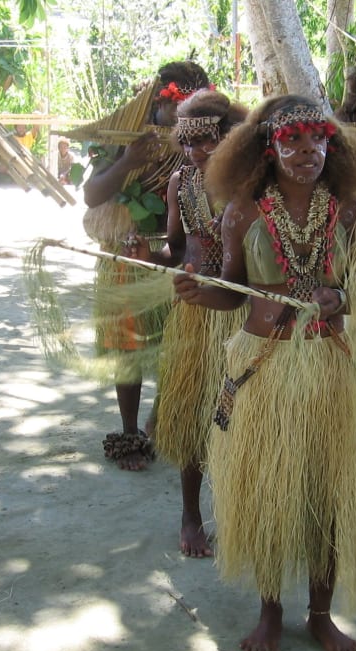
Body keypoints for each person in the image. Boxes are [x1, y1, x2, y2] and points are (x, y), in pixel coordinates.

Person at [173, 95, 356, 651]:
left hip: (330, 363)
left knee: (326, 495)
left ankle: (319, 613)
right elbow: (231, 291)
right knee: (268, 494)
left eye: (317, 140)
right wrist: (197, 292)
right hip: (262, 365)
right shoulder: (242, 210)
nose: (306, 151)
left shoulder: (353, 211)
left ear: (331, 145)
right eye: (292, 140)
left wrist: (343, 296)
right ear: (269, 146)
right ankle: (269, 612)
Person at [129, 89, 247, 557]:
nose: (196, 152)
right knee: (195, 411)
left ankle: (241, 511)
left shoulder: (250, 184)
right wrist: (148, 255)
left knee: (239, 417)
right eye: (187, 142)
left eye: (206, 141)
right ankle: (191, 515)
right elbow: (176, 252)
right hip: (196, 313)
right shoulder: (181, 183)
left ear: (228, 138)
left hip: (243, 312)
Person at [81, 60, 211, 471]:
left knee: (178, 346)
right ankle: (129, 431)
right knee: (129, 350)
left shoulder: (199, 140)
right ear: (161, 99)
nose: (185, 115)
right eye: (180, 104)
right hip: (127, 254)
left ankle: (163, 420)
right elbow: (91, 195)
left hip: (176, 256)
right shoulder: (125, 137)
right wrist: (128, 160)